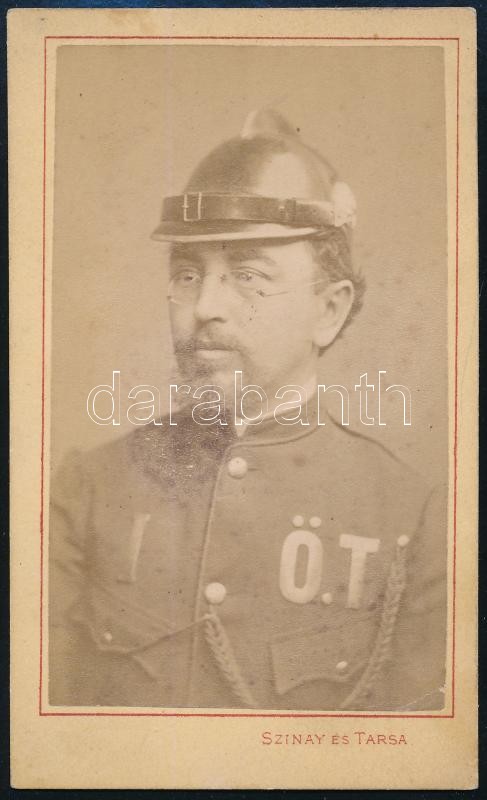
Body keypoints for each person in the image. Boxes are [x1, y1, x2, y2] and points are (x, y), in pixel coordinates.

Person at [49, 109, 447, 710]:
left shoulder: (413, 520)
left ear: (329, 311)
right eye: (188, 274)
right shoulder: (88, 490)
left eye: (248, 276)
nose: (206, 306)